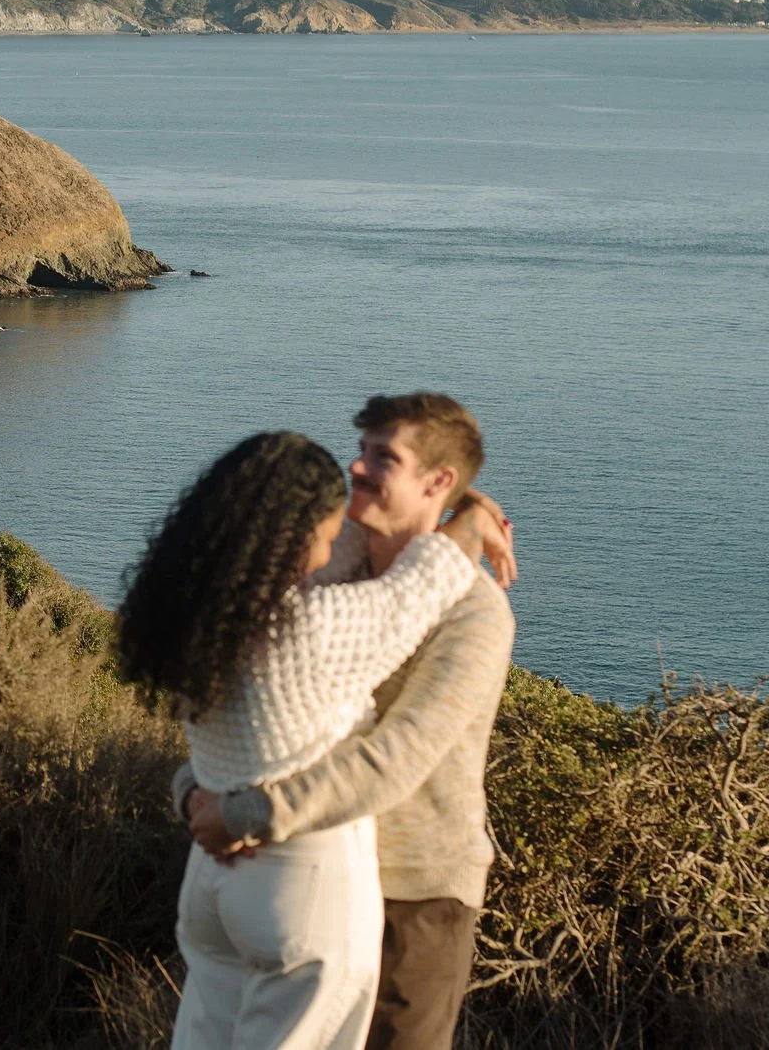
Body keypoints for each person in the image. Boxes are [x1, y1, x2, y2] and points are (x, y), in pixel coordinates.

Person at [119, 430, 497, 1050]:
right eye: (322, 537)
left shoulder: (191, 620)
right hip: (302, 884)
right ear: (292, 540)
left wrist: (192, 794)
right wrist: (471, 518)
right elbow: (420, 587)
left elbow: (347, 561)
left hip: (211, 881)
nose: (329, 558)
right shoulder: (312, 633)